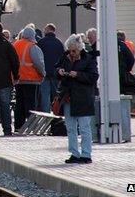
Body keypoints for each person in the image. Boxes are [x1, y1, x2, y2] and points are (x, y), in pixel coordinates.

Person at [56, 34, 99, 164]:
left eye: (74, 50)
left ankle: (86, 154)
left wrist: (78, 75)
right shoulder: (65, 57)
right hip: (69, 97)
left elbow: (93, 77)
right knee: (70, 127)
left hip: (83, 97)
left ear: (80, 48)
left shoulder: (88, 58)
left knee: (85, 127)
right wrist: (59, 71)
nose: (71, 53)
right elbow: (55, 69)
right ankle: (74, 153)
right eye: (70, 50)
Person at [13, 27, 46, 131]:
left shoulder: (15, 45)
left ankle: (18, 127)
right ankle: (31, 127)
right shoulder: (32, 47)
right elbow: (38, 63)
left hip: (18, 80)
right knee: (31, 106)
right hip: (31, 80)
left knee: (19, 105)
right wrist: (43, 74)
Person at [37, 24, 65, 112]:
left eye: (45, 29)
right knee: (56, 95)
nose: (44, 31)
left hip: (44, 73)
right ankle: (56, 114)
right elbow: (63, 58)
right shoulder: (59, 43)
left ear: (48, 30)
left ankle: (46, 115)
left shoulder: (41, 42)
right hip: (55, 74)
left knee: (45, 96)